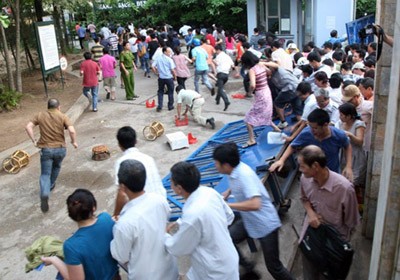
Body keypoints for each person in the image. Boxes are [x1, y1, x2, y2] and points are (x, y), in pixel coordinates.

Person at [213, 143, 295, 280]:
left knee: (274, 267)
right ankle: (248, 268)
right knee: (227, 239)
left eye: (216, 163)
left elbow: (255, 204)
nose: (215, 166)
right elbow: (238, 185)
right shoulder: (234, 171)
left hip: (265, 224)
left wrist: (228, 205)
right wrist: (227, 192)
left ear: (226, 165)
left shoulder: (244, 175)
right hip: (250, 220)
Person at [165, 161, 239, 279]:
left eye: (171, 182)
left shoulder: (193, 215)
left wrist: (166, 236)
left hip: (213, 271)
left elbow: (178, 248)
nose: (170, 184)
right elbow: (229, 216)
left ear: (179, 189)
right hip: (228, 257)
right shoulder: (209, 192)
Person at [297, 145, 359, 279]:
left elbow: (351, 222)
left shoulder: (345, 189)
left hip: (333, 244)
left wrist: (339, 245)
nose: (300, 170)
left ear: (315, 166)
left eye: (302, 166)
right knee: (309, 275)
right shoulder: (304, 179)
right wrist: (311, 213)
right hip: (312, 237)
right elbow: (304, 199)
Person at [111, 160, 178, 280]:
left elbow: (121, 256)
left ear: (122, 186)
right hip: (169, 269)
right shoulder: (159, 200)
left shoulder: (125, 223)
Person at [41, 189, 119, 279]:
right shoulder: (106, 218)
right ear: (93, 208)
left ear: (71, 215)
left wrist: (54, 260)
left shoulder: (71, 246)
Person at [269, 109, 353, 182]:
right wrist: (281, 160)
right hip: (312, 175)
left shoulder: (338, 135)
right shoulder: (307, 133)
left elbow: (347, 146)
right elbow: (292, 146)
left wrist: (348, 166)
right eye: (310, 127)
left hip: (332, 173)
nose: (312, 130)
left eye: (315, 128)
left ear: (325, 125)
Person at [25, 98, 78, 212]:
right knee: (57, 166)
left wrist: (33, 140)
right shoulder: (63, 116)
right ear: (59, 107)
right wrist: (74, 142)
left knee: (45, 173)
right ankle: (50, 185)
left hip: (46, 150)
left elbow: (28, 126)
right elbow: (72, 131)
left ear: (48, 107)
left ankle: (45, 191)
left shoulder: (40, 115)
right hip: (60, 149)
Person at [113, 126, 166, 218]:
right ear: (136, 141)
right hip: (163, 205)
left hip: (146, 211)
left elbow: (122, 194)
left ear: (119, 144)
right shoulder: (149, 158)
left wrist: (115, 215)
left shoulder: (121, 163)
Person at [240, 51, 280, 148]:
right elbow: (270, 72)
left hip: (260, 94)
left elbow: (253, 84)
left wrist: (249, 92)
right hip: (266, 91)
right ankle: (277, 129)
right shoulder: (261, 65)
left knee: (248, 119)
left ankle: (251, 140)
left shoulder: (252, 70)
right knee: (266, 112)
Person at [335, 103, 367, 209]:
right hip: (343, 155)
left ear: (349, 116)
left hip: (355, 156)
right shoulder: (339, 123)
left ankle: (354, 205)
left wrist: (350, 135)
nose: (340, 117)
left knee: (353, 182)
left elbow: (360, 141)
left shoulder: (359, 124)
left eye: (342, 115)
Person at [263, 61, 301, 128]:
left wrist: (262, 63)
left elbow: (275, 65)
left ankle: (283, 122)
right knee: (296, 107)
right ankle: (301, 125)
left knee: (277, 103)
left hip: (291, 88)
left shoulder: (279, 70)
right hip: (295, 88)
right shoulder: (271, 75)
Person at [342, 85, 373, 152]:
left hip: (365, 146)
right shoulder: (346, 107)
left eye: (350, 100)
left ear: (357, 97)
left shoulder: (368, 106)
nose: (348, 102)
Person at [152, 46, 176, 112]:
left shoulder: (158, 58)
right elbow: (173, 70)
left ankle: (160, 106)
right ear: (165, 52)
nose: (170, 53)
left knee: (160, 91)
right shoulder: (169, 59)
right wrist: (175, 76)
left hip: (161, 77)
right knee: (170, 92)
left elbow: (153, 66)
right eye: (169, 52)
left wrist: (156, 73)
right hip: (169, 77)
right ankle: (170, 106)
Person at [213, 44, 235, 111]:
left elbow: (217, 64)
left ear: (218, 50)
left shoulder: (218, 56)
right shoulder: (227, 56)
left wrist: (212, 60)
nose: (215, 52)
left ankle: (226, 101)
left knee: (220, 89)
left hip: (221, 74)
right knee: (220, 87)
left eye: (216, 50)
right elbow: (233, 65)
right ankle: (217, 99)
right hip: (226, 75)